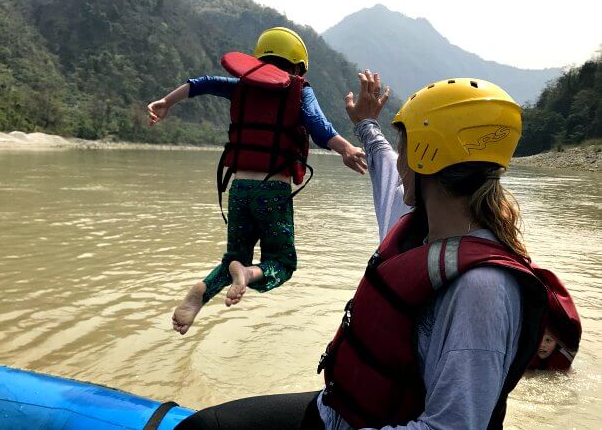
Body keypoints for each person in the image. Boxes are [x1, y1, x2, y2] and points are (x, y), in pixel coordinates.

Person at [174, 72, 574, 429]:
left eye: (406, 148)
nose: (398, 164)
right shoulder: (413, 221)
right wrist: (365, 123)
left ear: (424, 155)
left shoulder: (482, 288)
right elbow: (383, 159)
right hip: (338, 409)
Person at [147, 27, 368, 335]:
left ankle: (203, 292)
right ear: (297, 66)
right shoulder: (298, 89)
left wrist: (165, 102)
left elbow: (203, 84)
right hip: (272, 192)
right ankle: (248, 276)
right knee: (281, 263)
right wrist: (345, 147)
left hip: (238, 189)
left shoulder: (242, 86)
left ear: (258, 59)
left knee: (232, 259)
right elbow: (318, 125)